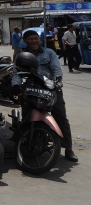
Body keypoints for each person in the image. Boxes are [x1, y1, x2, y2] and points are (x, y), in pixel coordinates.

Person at [16, 30, 78, 162]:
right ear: (25, 41)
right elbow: (16, 72)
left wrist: (58, 82)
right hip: (30, 91)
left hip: (50, 89)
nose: (34, 41)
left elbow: (56, 69)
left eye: (36, 38)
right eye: (31, 39)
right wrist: (15, 85)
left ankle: (68, 148)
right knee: (27, 118)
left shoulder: (49, 53)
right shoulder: (21, 55)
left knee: (61, 117)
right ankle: (27, 144)